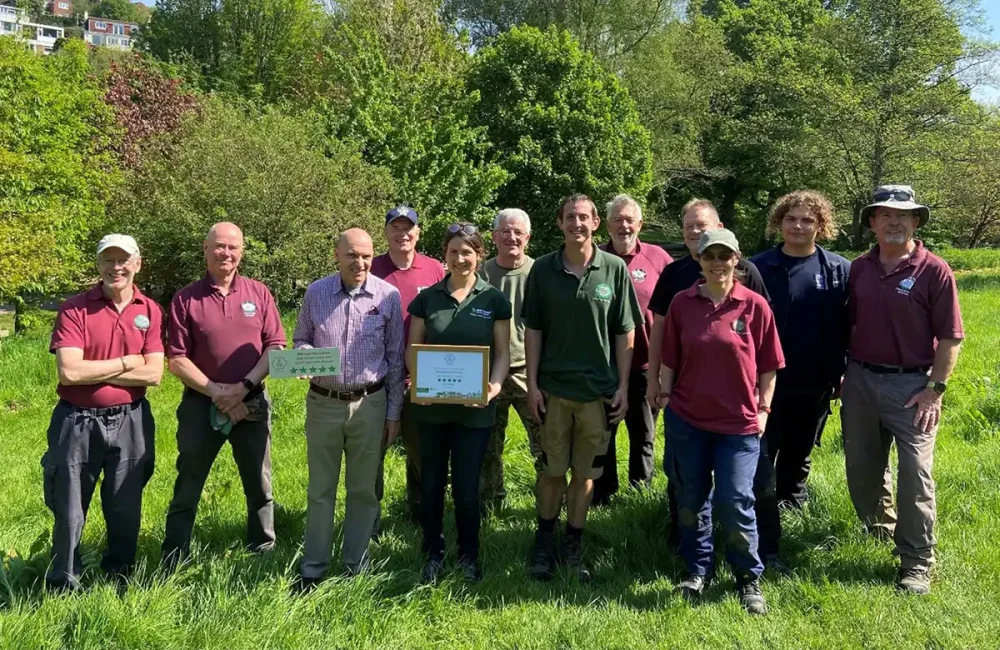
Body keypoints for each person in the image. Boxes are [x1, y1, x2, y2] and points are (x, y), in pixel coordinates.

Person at [841, 185, 963, 595]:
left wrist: (935, 390)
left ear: (915, 222)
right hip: (859, 380)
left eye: (904, 216)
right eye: (886, 215)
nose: (895, 222)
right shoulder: (859, 268)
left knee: (915, 472)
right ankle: (881, 527)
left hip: (913, 386)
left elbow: (950, 338)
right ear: (873, 222)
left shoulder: (935, 270)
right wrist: (845, 372)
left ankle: (916, 560)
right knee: (862, 470)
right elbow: (850, 324)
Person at [658, 228, 784, 615]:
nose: (717, 262)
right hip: (688, 419)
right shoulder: (682, 303)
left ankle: (748, 578)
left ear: (737, 259)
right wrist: (664, 398)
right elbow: (669, 359)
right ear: (699, 259)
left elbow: (769, 365)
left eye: (724, 255)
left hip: (739, 423)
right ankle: (698, 570)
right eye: (709, 255)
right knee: (690, 498)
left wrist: (763, 410)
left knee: (735, 500)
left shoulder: (754, 306)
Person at [523, 193, 641, 582]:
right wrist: (533, 386)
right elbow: (534, 330)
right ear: (559, 223)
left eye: (584, 218)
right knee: (552, 471)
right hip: (554, 390)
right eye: (569, 217)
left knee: (585, 475)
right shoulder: (542, 269)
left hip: (599, 392)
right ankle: (544, 542)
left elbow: (626, 331)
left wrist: (623, 386)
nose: (577, 224)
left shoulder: (614, 269)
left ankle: (573, 544)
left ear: (595, 224)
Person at [645, 199, 771, 546]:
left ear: (721, 230)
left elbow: (763, 340)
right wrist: (655, 379)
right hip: (687, 399)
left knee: (742, 485)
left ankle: (751, 547)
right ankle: (683, 541)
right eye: (690, 228)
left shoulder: (748, 273)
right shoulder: (674, 275)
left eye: (703, 226)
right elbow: (660, 331)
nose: (697, 233)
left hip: (738, 405)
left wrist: (763, 401)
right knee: (683, 477)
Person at [162, 222, 286, 567]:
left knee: (259, 485)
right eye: (218, 246)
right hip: (201, 405)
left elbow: (275, 346)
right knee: (188, 481)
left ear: (242, 251)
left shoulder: (259, 293)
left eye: (232, 247)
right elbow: (176, 359)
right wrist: (219, 394)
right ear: (205, 249)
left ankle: (263, 552)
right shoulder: (186, 298)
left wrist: (242, 389)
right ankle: (174, 556)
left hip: (253, 403)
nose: (225, 253)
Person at [43, 234, 164, 590]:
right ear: (98, 265)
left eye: (123, 260)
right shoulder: (74, 308)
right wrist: (128, 361)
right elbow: (70, 372)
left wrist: (96, 367)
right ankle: (64, 583)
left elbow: (154, 373)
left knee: (125, 507)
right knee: (69, 511)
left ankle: (120, 577)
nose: (116, 267)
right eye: (108, 260)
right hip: (76, 420)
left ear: (137, 264)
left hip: (131, 419)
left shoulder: (150, 310)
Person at [293, 229, 405, 591]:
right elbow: (300, 339)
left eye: (367, 256)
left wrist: (393, 413)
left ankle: (356, 564)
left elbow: (395, 359)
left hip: (370, 404)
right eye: (352, 256)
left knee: (363, 491)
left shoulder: (388, 296)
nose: (360, 263)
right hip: (324, 402)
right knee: (320, 490)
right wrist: (305, 357)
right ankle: (313, 568)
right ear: (337, 256)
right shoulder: (316, 292)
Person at [407, 223, 512, 583]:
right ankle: (433, 552)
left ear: (479, 256)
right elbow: (413, 351)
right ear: (445, 255)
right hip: (432, 410)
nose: (460, 258)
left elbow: (502, 352)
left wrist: (494, 386)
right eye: (453, 251)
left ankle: (469, 555)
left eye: (467, 252)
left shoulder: (493, 300)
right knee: (433, 485)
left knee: (467, 489)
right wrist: (421, 382)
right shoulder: (427, 298)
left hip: (475, 411)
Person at [751, 191, 850, 516]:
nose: (798, 226)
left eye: (807, 220)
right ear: (778, 222)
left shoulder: (838, 269)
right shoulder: (757, 268)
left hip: (816, 380)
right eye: (790, 218)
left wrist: (844, 369)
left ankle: (792, 510)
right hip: (764, 379)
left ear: (821, 225)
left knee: (799, 451)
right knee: (761, 451)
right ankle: (760, 514)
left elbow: (852, 324)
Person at [592, 194, 672, 505]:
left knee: (644, 435)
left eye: (629, 220)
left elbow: (672, 314)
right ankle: (603, 494)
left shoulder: (658, 259)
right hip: (603, 365)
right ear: (606, 224)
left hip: (645, 365)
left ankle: (640, 494)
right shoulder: (594, 258)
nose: (623, 225)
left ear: (639, 223)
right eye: (617, 219)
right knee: (602, 433)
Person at [371, 206, 445, 531]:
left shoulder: (435, 270)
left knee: (422, 450)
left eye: (408, 228)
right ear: (385, 232)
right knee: (373, 450)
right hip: (377, 377)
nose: (403, 233)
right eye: (395, 227)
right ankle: (369, 518)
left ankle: (419, 512)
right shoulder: (370, 268)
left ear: (418, 232)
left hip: (421, 378)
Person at [479, 208, 543, 512]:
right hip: (488, 373)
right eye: (505, 231)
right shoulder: (481, 274)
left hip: (531, 372)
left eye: (518, 232)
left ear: (528, 237)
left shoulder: (540, 272)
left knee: (544, 442)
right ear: (494, 237)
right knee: (487, 446)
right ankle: (491, 504)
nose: (512, 237)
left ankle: (549, 500)